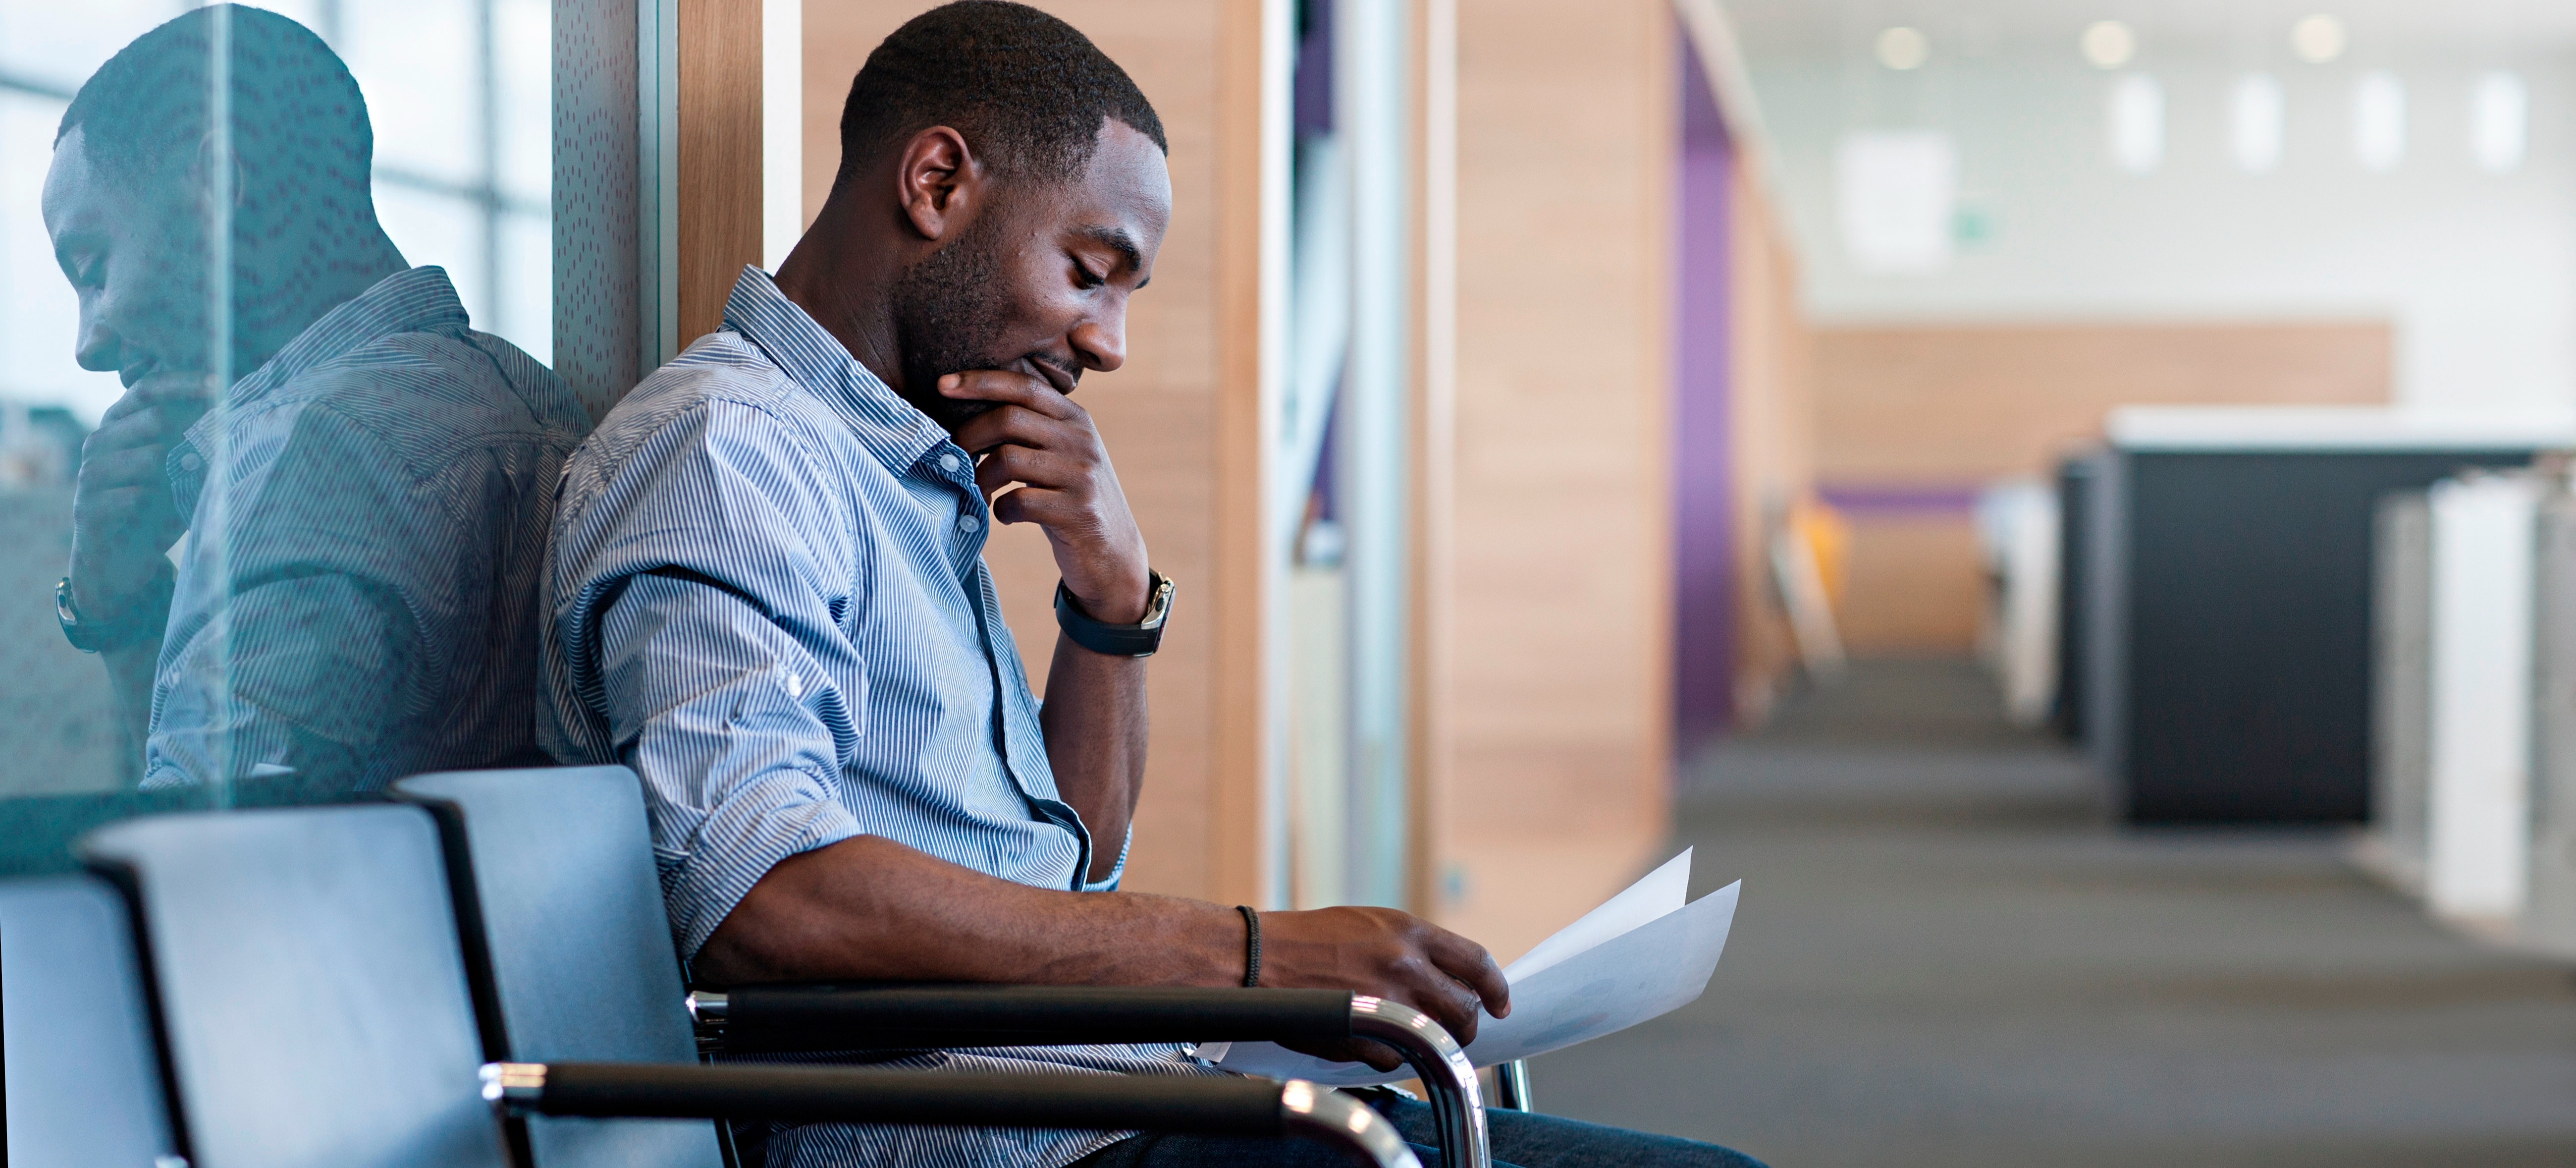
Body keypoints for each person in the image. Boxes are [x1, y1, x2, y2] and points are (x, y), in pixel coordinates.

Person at [541, 4, 1764, 1168]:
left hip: (1080, 1095)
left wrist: (1113, 607)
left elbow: (1063, 870)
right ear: (936, 185)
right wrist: (1247, 953)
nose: (1110, 343)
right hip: (966, 1134)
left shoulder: (894, 471)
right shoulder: (733, 453)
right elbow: (767, 900)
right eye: (1090, 271)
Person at [43, 5, 589, 792]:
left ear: (216, 186)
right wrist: (124, 615)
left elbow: (198, 883)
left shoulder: (314, 454)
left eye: (93, 267)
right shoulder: (524, 394)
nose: (89, 343)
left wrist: (108, 613)